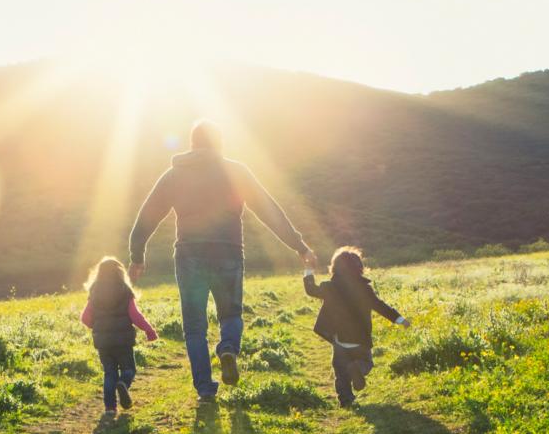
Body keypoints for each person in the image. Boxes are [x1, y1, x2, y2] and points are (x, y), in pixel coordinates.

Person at [129, 120, 316, 401]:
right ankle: (228, 347)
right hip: (228, 251)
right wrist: (299, 246)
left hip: (189, 254)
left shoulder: (174, 175)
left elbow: (147, 215)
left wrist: (137, 256)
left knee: (194, 326)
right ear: (219, 143)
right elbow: (268, 210)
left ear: (192, 144)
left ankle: (205, 389)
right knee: (231, 314)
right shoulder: (236, 171)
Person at [303, 246, 410, 408]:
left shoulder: (329, 287)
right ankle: (358, 368)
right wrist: (400, 319)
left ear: (334, 267)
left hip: (340, 340)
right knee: (366, 362)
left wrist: (309, 270)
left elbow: (311, 290)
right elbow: (380, 306)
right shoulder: (364, 289)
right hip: (360, 339)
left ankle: (346, 401)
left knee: (341, 373)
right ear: (359, 268)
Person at [81, 256, 158, 416]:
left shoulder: (94, 292)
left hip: (103, 343)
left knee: (109, 373)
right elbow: (135, 315)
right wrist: (149, 331)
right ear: (120, 273)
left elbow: (85, 318)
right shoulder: (125, 290)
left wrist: (97, 327)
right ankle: (123, 384)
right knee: (129, 369)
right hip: (123, 342)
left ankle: (110, 408)